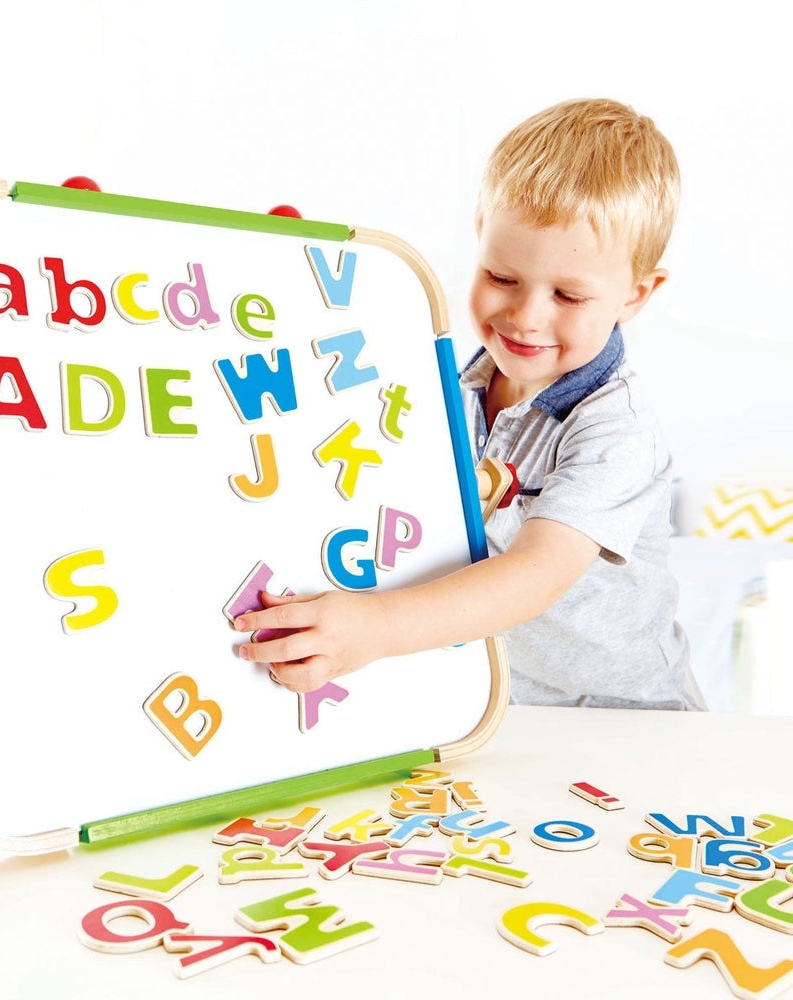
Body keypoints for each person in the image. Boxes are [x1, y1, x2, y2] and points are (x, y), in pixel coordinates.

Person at [236, 97, 706, 711]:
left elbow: (536, 575)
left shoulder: (618, 431)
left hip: (624, 718)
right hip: (497, 707)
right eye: (503, 278)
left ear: (637, 295)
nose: (526, 316)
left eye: (568, 294)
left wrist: (377, 627)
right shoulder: (451, 390)